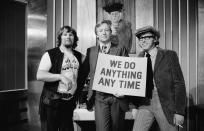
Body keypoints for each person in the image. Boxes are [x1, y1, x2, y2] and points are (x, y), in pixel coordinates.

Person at [132, 26, 187, 131]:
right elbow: (135, 85)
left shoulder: (169, 55)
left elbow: (179, 83)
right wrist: (133, 106)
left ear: (155, 39)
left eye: (146, 37)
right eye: (140, 38)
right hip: (144, 101)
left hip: (164, 102)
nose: (143, 41)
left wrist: (179, 112)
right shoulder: (139, 57)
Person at [79, 20, 129, 131]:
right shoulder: (91, 51)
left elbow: (128, 73)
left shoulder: (121, 49)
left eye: (106, 30)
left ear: (111, 33)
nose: (104, 33)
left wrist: (124, 92)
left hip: (116, 97)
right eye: (100, 31)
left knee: (117, 128)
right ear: (97, 34)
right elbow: (82, 75)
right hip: (99, 97)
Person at [36, 26, 83, 131]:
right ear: (60, 37)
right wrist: (60, 77)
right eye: (65, 34)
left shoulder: (79, 56)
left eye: (71, 35)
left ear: (74, 38)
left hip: (69, 102)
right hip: (52, 101)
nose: (68, 37)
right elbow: (40, 75)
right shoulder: (50, 54)